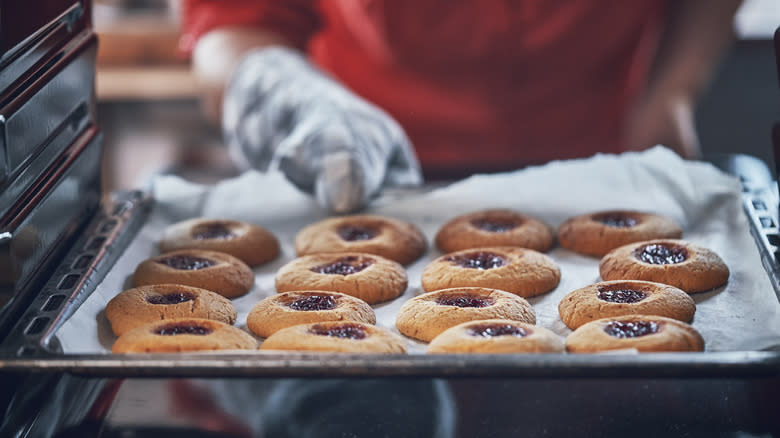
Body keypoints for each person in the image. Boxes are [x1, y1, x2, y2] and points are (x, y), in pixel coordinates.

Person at [180, 0, 742, 212]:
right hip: (361, 179)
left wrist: (672, 88)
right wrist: (298, 102)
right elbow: (232, 25)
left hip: (602, 159)